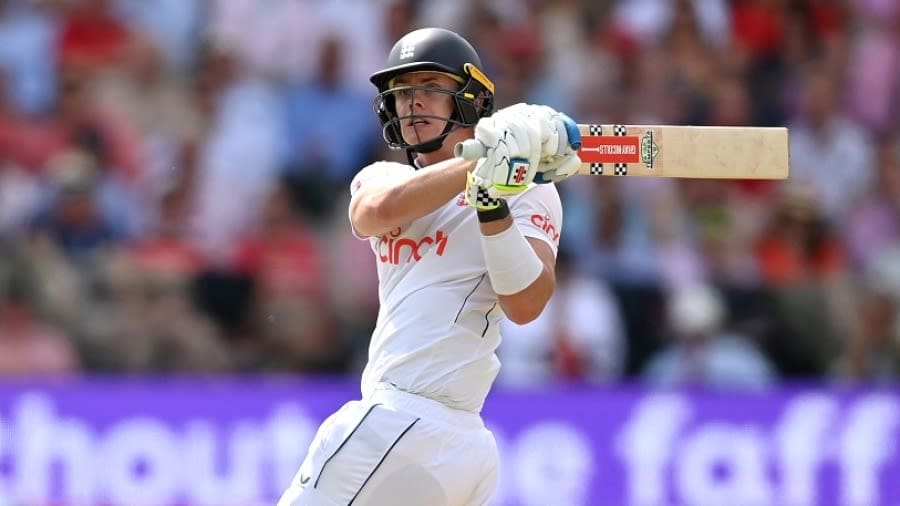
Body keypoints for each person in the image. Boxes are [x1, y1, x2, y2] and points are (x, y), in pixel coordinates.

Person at [277, 27, 582, 505]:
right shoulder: (385, 176)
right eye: (402, 93)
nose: (412, 103)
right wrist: (482, 164)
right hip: (433, 441)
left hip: (415, 422)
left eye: (429, 88)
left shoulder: (530, 191)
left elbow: (525, 303)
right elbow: (371, 213)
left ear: (469, 99)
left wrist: (492, 203)